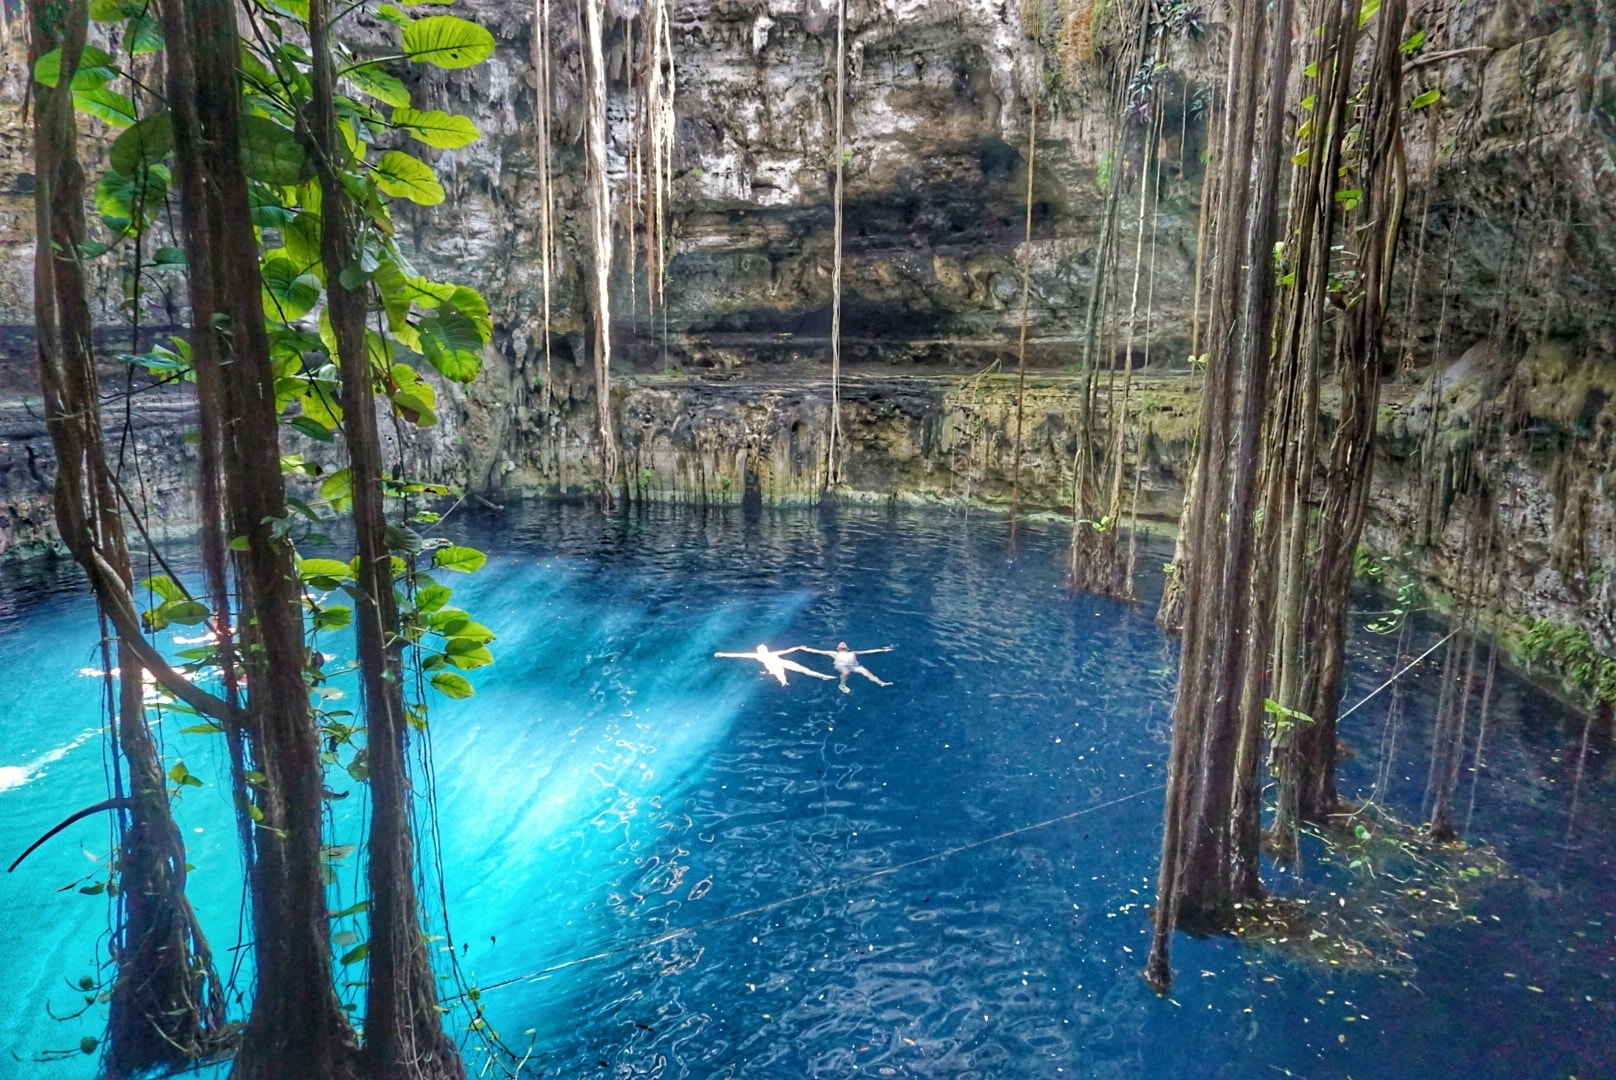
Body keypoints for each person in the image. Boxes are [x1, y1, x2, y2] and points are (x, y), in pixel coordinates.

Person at [714, 644, 834, 687]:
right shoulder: (756, 656)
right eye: (761, 649)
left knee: (803, 669)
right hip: (772, 665)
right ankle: (784, 682)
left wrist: (798, 647)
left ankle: (822, 676)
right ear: (759, 651)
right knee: (779, 673)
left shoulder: (772, 653)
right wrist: (723, 654)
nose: (764, 650)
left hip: (782, 662)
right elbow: (738, 655)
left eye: (764, 648)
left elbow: (787, 650)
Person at [797, 641, 893, 694]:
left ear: (847, 648)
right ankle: (842, 685)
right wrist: (805, 649)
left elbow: (869, 651)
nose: (842, 644)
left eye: (844, 644)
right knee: (846, 672)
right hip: (841, 665)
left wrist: (882, 650)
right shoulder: (833, 653)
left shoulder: (853, 653)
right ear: (837, 649)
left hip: (855, 666)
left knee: (867, 673)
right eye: (841, 644)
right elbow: (817, 651)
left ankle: (881, 683)